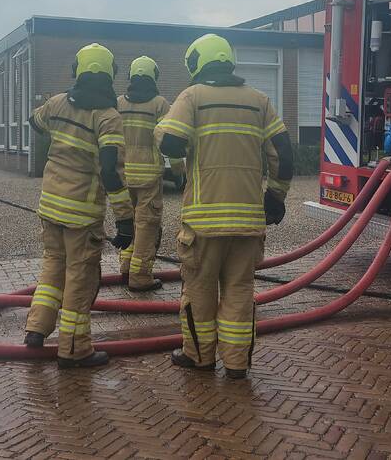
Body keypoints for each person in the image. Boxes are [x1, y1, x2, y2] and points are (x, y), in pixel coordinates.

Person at [156, 34, 292, 379]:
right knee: (240, 291)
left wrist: (160, 129)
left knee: (199, 291)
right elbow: (283, 152)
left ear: (196, 63)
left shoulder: (193, 97)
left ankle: (199, 357)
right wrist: (275, 197)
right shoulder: (259, 101)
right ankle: (236, 364)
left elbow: (171, 141)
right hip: (247, 222)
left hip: (203, 223)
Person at [23, 43, 135, 369]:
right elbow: (111, 171)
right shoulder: (109, 117)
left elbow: (35, 122)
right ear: (111, 75)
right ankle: (74, 349)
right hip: (81, 214)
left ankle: (36, 329)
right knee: (79, 278)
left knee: (52, 268)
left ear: (77, 70)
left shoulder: (57, 102)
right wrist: (125, 220)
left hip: (50, 205)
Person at [116, 56, 172, 291]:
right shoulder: (159, 104)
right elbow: (170, 140)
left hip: (123, 176)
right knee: (147, 226)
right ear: (154, 77)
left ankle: (126, 267)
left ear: (131, 76)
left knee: (129, 223)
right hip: (149, 177)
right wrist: (179, 170)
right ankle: (140, 277)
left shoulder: (118, 103)